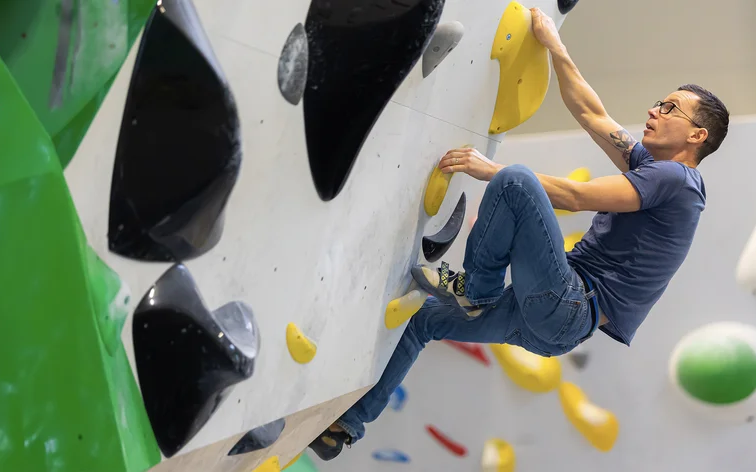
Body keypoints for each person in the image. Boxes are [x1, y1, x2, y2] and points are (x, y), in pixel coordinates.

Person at [308, 6, 730, 461]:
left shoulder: (675, 181)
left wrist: (491, 170)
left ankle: (475, 288)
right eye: (659, 102)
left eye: (670, 109)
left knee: (517, 180)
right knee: (424, 320)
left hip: (568, 303)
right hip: (553, 325)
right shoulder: (657, 170)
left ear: (697, 135)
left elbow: (574, 196)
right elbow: (591, 112)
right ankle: (347, 426)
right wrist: (555, 46)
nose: (654, 110)